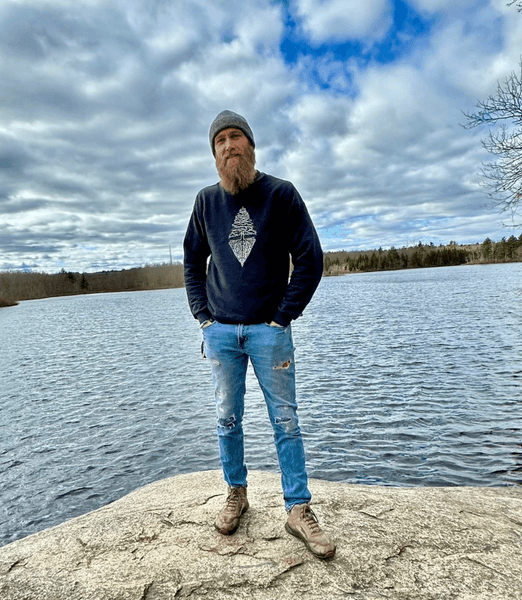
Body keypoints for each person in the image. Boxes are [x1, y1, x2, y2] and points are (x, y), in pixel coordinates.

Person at [183, 110, 335, 559]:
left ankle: (297, 508)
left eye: (237, 137)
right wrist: (203, 318)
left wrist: (283, 316)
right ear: (214, 154)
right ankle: (237, 492)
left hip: (270, 333)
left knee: (285, 421)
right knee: (227, 418)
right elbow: (192, 263)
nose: (230, 146)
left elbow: (310, 259)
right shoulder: (206, 202)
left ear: (251, 145)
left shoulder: (281, 195)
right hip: (222, 334)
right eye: (220, 141)